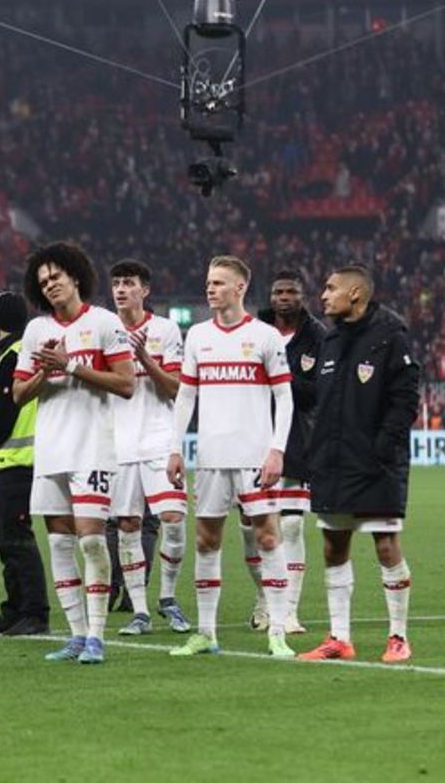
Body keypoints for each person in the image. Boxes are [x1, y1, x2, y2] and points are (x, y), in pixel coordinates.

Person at [165, 256, 295, 659]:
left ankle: (278, 630)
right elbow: (186, 395)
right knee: (206, 541)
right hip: (210, 458)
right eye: (209, 282)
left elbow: (284, 396)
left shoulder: (265, 336)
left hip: (255, 456)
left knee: (269, 537)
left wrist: (277, 449)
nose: (211, 288)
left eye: (219, 282)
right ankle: (206, 632)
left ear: (240, 288)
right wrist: (174, 447)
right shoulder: (198, 336)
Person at [12, 242, 135, 665]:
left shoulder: (104, 323)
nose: (50, 286)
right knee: (60, 543)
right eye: (43, 282)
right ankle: (77, 636)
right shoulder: (35, 332)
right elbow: (18, 394)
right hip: (51, 448)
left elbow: (126, 383)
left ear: (75, 277)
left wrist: (70, 367)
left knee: (91, 539)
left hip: (92, 449)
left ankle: (98, 635)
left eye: (56, 277)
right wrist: (46, 372)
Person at [301, 265, 421, 664]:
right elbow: (320, 400)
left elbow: (405, 401)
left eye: (330, 287)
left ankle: (398, 637)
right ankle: (339, 638)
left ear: (355, 294)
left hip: (375, 464)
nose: (323, 295)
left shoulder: (390, 335)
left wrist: (381, 450)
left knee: (386, 545)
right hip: (333, 462)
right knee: (334, 545)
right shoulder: (331, 338)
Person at [105, 259, 191, 636]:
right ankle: (139, 610)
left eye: (129, 283)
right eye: (116, 284)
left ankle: (168, 598)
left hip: (159, 438)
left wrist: (141, 358)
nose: (121, 289)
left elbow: (175, 388)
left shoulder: (165, 329)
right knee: (127, 524)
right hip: (117, 444)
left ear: (145, 290)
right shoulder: (102, 330)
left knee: (173, 520)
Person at [0, 291, 49, 636]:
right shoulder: (11, 356)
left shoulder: (13, 358)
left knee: (18, 542)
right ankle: (14, 609)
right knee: (9, 542)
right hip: (7, 464)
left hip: (17, 463)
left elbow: (2, 417)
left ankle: (34, 611)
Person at [253, 270, 327, 634]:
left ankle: (289, 610)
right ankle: (264, 600)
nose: (284, 297)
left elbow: (319, 392)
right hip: (253, 437)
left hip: (298, 440)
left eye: (291, 291)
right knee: (257, 529)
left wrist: (279, 376)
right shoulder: (254, 330)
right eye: (278, 291)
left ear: (302, 295)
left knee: (293, 525)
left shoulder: (318, 337)